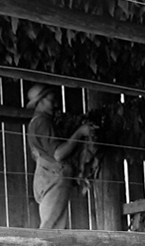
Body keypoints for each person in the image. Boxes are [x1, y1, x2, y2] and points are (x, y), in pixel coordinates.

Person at [25, 84, 94, 230]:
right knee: (50, 226)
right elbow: (59, 154)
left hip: (45, 176)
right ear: (40, 102)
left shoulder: (35, 123)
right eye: (51, 100)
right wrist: (79, 133)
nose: (56, 104)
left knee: (53, 224)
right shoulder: (43, 123)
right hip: (54, 177)